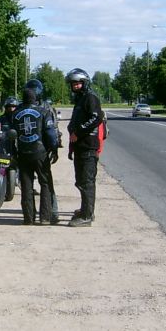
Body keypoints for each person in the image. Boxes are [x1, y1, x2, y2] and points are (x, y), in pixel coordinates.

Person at [13, 84, 59, 225]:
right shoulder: (44, 112)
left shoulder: (16, 114)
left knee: (26, 186)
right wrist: (54, 149)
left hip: (23, 153)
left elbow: (11, 135)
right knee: (45, 184)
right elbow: (50, 134)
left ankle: (28, 218)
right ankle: (45, 217)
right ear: (36, 98)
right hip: (40, 153)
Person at [66, 68, 103, 227]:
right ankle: (85, 210)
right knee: (80, 181)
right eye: (73, 83)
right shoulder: (80, 99)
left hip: (88, 146)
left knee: (86, 182)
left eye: (78, 83)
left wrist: (79, 132)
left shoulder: (90, 97)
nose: (75, 86)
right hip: (80, 146)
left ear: (85, 83)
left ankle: (87, 216)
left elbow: (96, 117)